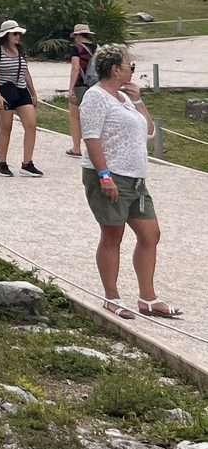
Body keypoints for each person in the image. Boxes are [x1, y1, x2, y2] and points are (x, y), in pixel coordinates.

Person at [80, 43, 181, 320]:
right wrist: (104, 176)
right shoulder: (96, 96)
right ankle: (111, 296)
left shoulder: (124, 98)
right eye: (129, 66)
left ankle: (147, 298)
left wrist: (138, 102)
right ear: (115, 70)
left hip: (137, 179)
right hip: (110, 176)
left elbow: (148, 131)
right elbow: (91, 137)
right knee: (113, 235)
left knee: (151, 235)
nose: (132, 70)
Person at [0, 19, 42, 178]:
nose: (18, 37)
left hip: (21, 90)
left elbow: (26, 72)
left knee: (31, 125)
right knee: (6, 127)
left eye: (19, 34)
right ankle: (2, 163)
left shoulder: (20, 51)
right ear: (6, 35)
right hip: (4, 90)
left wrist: (33, 92)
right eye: (15, 34)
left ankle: (27, 163)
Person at [65, 22, 98, 157]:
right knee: (94, 117)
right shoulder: (97, 48)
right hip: (95, 85)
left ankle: (76, 147)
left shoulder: (77, 49)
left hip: (81, 84)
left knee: (75, 116)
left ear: (77, 36)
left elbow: (75, 68)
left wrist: (70, 87)